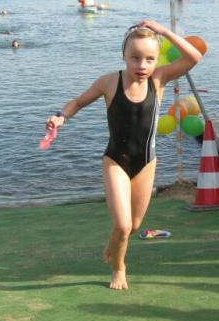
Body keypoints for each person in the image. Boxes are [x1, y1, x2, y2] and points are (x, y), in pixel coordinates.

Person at [46, 21, 202, 289]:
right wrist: (61, 117)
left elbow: (194, 57)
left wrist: (164, 32)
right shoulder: (109, 82)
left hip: (146, 163)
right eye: (135, 58)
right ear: (124, 56)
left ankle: (115, 242)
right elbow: (78, 102)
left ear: (157, 60)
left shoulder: (158, 79)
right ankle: (119, 267)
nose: (142, 65)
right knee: (122, 224)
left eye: (149, 59)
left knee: (134, 225)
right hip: (115, 161)